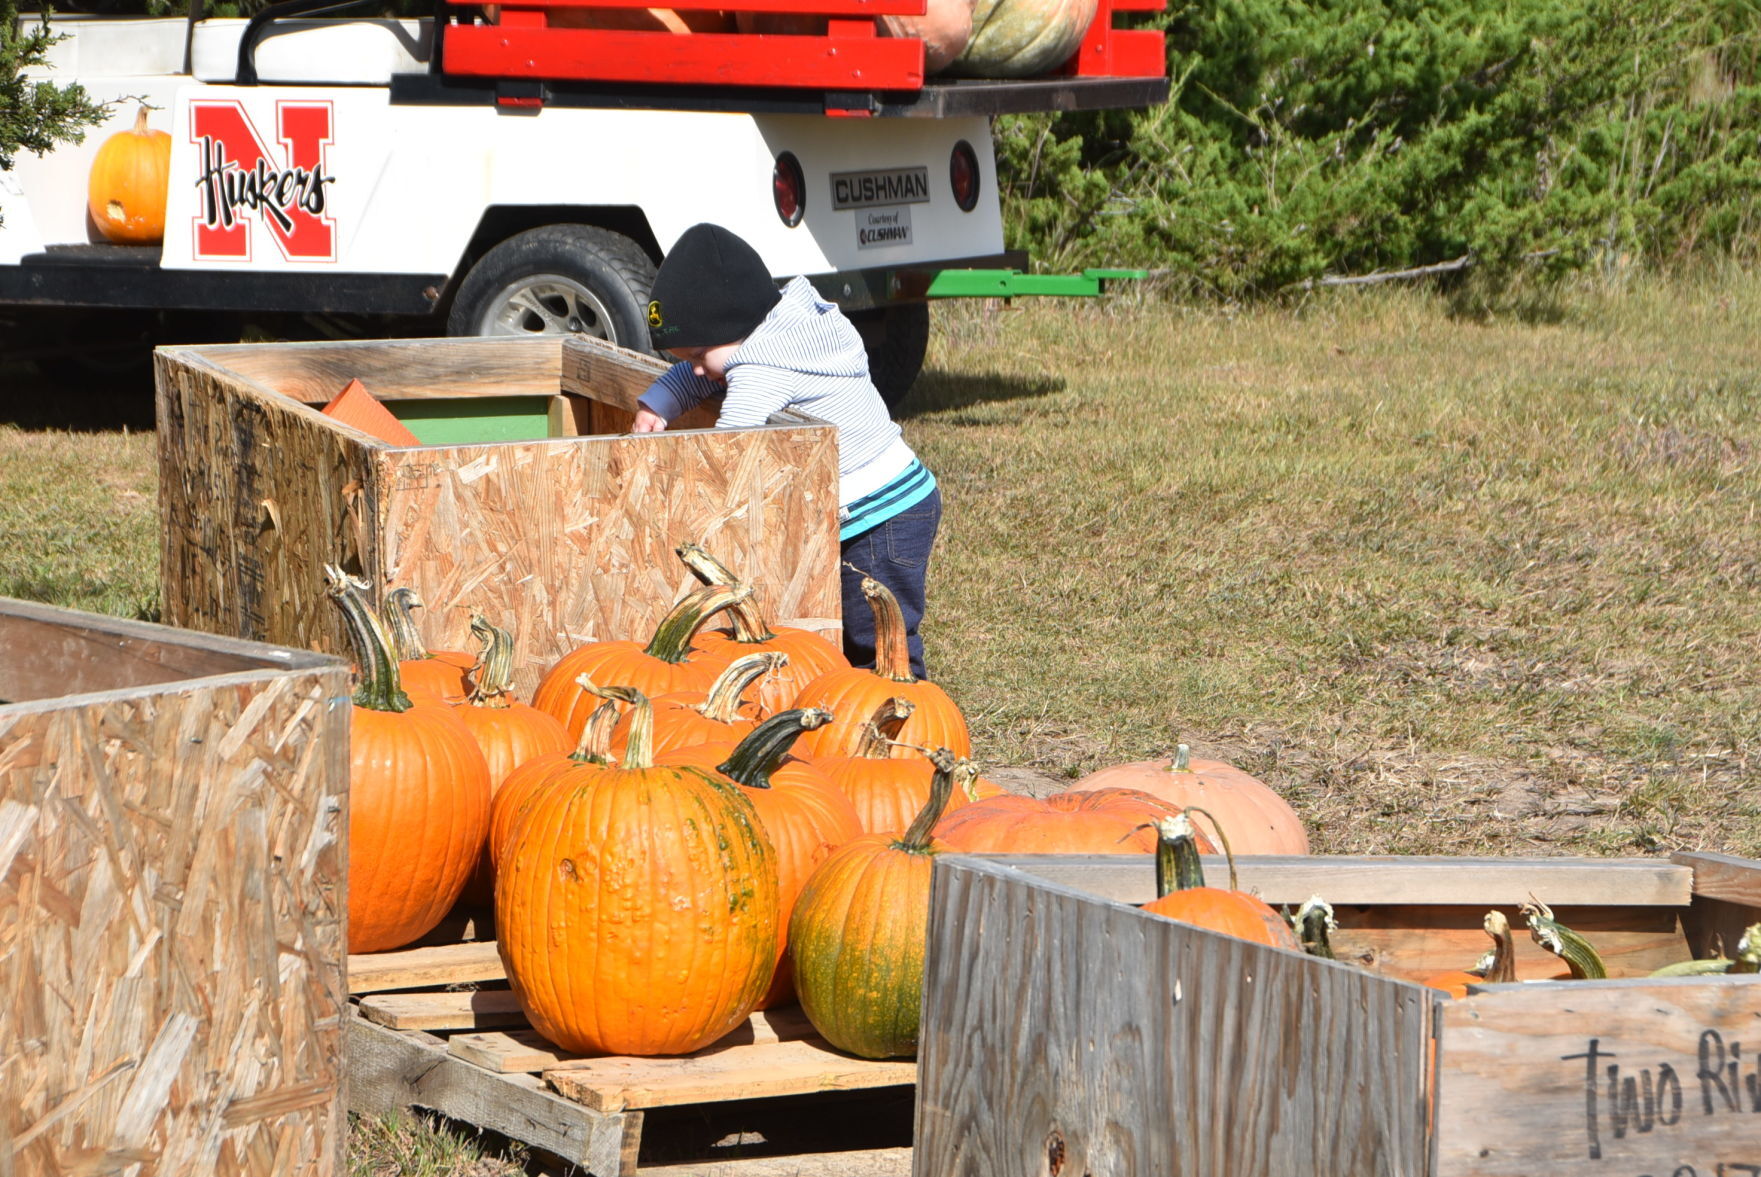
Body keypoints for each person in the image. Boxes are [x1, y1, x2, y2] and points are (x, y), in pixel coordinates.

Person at [633, 222, 941, 679]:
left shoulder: (763, 369)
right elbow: (707, 370)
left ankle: (905, 710)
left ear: (732, 329)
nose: (695, 373)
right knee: (850, 625)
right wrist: (655, 405)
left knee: (875, 632)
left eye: (697, 357)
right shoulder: (775, 330)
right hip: (888, 502)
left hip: (884, 515)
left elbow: (730, 449)